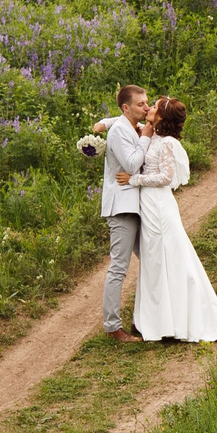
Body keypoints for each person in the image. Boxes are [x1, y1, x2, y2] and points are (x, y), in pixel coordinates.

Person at [121, 96, 217, 344]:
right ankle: (156, 319)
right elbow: (123, 122)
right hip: (148, 205)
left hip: (159, 205)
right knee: (153, 259)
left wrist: (133, 179)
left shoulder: (168, 143)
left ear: (161, 116)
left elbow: (165, 176)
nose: (149, 108)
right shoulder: (152, 136)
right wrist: (102, 126)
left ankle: (176, 321)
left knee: (167, 256)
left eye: (155, 107)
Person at [92, 85, 153, 343]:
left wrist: (104, 122)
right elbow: (130, 164)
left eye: (147, 103)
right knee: (119, 267)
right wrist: (146, 136)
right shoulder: (120, 130)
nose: (147, 107)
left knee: (152, 260)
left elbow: (117, 120)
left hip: (135, 205)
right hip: (121, 207)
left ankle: (144, 318)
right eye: (141, 104)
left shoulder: (124, 124)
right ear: (126, 108)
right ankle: (112, 326)